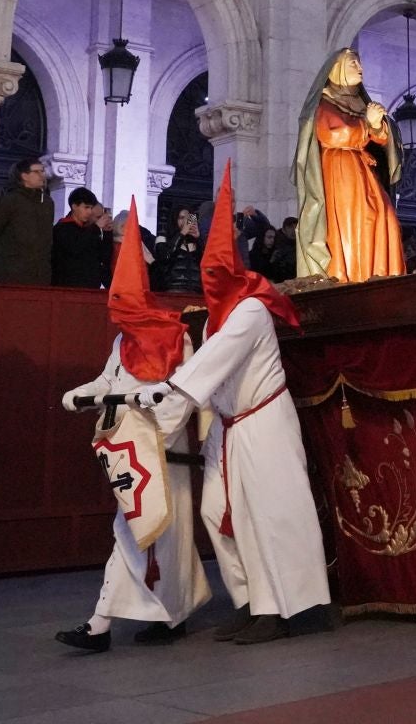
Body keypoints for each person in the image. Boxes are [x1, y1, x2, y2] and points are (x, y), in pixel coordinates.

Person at [154, 163, 329, 644]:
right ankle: (249, 599)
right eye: (204, 271)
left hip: (264, 424)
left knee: (267, 516)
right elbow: (207, 366)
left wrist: (162, 404)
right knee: (217, 512)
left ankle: (279, 608)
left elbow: (213, 364)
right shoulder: (215, 317)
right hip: (229, 429)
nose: (208, 278)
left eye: (216, 270)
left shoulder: (251, 309)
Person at [56, 198, 210, 652]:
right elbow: (109, 380)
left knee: (164, 537)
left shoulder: (176, 337)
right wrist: (81, 395)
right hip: (130, 449)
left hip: (163, 454)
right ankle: (134, 618)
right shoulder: (124, 338)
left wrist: (155, 430)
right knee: (132, 531)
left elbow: (182, 394)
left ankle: (126, 620)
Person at [294, 47, 405, 285]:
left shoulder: (363, 102)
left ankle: (382, 278)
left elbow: (383, 139)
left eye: (359, 63)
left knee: (385, 218)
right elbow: (332, 133)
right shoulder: (324, 100)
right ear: (337, 69)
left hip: (363, 169)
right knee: (354, 224)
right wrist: (367, 123)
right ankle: (352, 278)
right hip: (340, 168)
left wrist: (378, 127)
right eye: (353, 63)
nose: (360, 67)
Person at [0, 159, 55, 285]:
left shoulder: (47, 203)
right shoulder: (10, 201)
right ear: (24, 176)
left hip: (40, 272)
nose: (42, 175)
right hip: (11, 271)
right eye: (36, 171)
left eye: (43, 171)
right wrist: (7, 254)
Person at [53, 189, 115, 289]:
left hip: (90, 285)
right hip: (68, 286)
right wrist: (95, 227)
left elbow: (103, 257)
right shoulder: (62, 228)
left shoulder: (89, 230)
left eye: (90, 208)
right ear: (74, 206)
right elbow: (75, 248)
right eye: (86, 207)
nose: (89, 212)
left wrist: (107, 233)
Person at [154, 207, 205, 294]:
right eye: (181, 218)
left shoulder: (196, 242)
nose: (185, 222)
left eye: (188, 218)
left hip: (196, 294)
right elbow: (165, 258)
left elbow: (206, 264)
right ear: (174, 220)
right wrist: (182, 233)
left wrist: (198, 239)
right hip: (173, 292)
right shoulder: (163, 239)